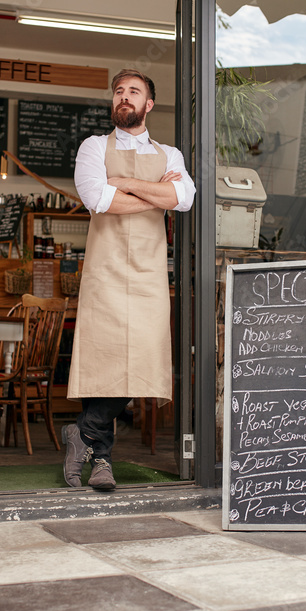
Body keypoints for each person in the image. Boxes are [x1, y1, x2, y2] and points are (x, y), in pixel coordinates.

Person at [62, 69, 195, 491]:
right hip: (105, 274)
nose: (124, 97)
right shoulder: (93, 147)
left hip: (148, 276)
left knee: (140, 361)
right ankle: (101, 460)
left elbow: (185, 199)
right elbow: (98, 199)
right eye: (118, 91)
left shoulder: (170, 154)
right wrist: (155, 196)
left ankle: (80, 432)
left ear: (148, 104)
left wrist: (126, 185)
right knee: (103, 361)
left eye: (133, 92)